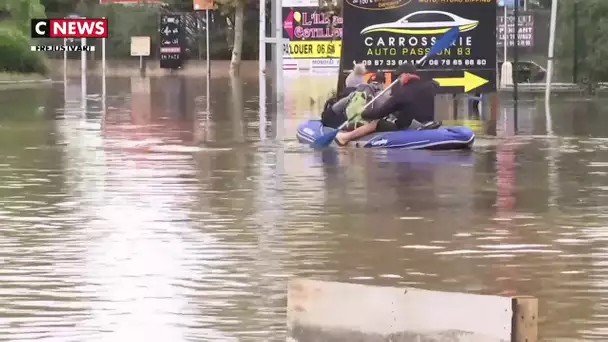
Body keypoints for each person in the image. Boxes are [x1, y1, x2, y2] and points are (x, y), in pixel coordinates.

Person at [334, 63, 441, 146]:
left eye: (399, 77)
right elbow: (436, 84)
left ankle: (345, 138)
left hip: (408, 127)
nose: (398, 80)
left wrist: (363, 113)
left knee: (376, 123)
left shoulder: (402, 93)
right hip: (426, 123)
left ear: (406, 75)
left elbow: (380, 113)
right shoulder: (429, 87)